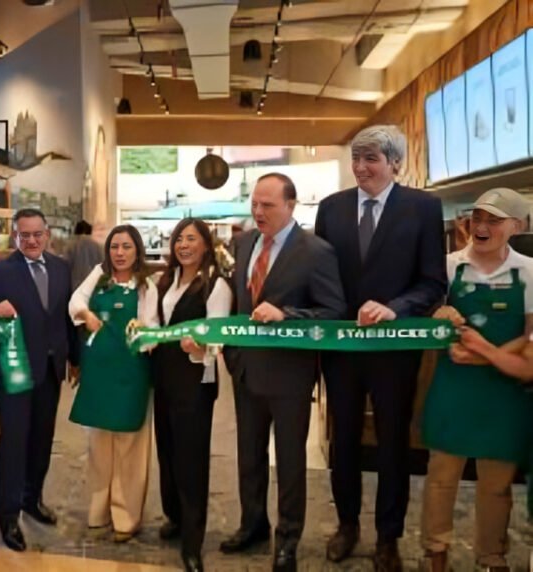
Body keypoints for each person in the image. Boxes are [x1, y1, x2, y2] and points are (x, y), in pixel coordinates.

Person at [314, 124, 447, 571]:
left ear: (395, 163)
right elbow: (322, 279)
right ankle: (347, 524)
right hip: (342, 350)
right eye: (356, 158)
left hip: (394, 350)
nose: (361, 167)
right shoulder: (331, 209)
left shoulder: (424, 209)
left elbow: (433, 282)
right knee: (344, 440)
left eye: (371, 158)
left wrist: (396, 307)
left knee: (393, 443)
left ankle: (388, 536)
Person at [221, 174, 346, 572]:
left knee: (290, 462)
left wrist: (287, 314)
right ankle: (252, 523)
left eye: (267, 205)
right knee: (248, 457)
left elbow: (333, 312)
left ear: (291, 206)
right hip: (245, 372)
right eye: (254, 204)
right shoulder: (242, 244)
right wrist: (232, 353)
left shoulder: (316, 252)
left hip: (290, 376)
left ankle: (287, 538)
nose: (258, 212)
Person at [419, 188, 533, 572]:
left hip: (503, 394)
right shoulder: (448, 267)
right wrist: (441, 313)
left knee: (496, 486)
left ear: (516, 227)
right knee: (440, 479)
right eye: (476, 219)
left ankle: (491, 555)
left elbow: (531, 339)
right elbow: (428, 311)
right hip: (453, 390)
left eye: (493, 220)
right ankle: (435, 553)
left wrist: (482, 350)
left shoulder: (529, 272)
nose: (481, 227)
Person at [0, 208, 79, 551]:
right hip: (14, 371)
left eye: (38, 234)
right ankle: (8, 517)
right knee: (14, 442)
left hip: (51, 371)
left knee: (42, 438)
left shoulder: (61, 268)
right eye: (25, 235)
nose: (32, 240)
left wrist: (75, 360)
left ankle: (31, 499)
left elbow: (67, 317)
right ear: (16, 236)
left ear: (47, 233)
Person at [68, 224, 157, 545]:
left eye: (126, 247)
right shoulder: (98, 276)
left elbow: (154, 327)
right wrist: (85, 314)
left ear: (137, 251)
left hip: (132, 373)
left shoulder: (147, 286)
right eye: (115, 247)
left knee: (130, 448)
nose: (119, 253)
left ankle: (126, 517)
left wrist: (144, 331)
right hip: (98, 374)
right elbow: (75, 301)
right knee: (99, 447)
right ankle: (98, 511)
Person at [151, 218, 231, 572]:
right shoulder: (164, 280)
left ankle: (193, 541)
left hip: (195, 379)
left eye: (191, 239)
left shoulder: (216, 285)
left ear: (206, 244)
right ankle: (175, 517)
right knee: (166, 449)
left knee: (191, 458)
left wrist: (199, 348)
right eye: (179, 239)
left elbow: (217, 340)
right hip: (164, 377)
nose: (183, 245)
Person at [65, 219, 104, 291]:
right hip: (93, 285)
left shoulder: (71, 246)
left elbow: (66, 266)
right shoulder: (97, 246)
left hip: (75, 286)